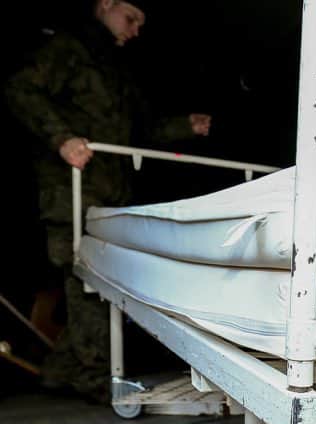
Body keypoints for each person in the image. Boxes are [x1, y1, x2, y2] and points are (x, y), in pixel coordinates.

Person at [4, 0, 211, 402]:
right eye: (130, 18)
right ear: (106, 6)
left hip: (110, 194)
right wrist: (61, 138)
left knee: (103, 280)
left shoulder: (115, 68)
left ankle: (62, 371)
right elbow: (21, 89)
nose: (134, 30)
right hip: (71, 188)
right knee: (88, 280)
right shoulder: (70, 49)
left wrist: (185, 126)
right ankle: (93, 375)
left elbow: (139, 130)